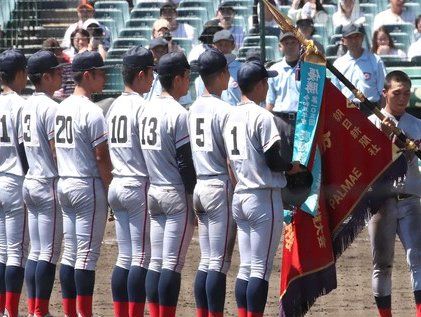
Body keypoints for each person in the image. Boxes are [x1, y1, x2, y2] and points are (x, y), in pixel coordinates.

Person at [224, 59, 303, 317]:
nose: (268, 85)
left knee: (245, 268)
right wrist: (292, 167)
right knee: (259, 269)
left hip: (241, 195)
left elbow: (228, 162)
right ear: (258, 85)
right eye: (266, 81)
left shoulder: (230, 115)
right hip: (262, 197)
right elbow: (273, 161)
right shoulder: (262, 116)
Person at [55, 51, 112, 317]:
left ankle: (70, 312)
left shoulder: (61, 107)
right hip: (86, 184)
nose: (104, 77)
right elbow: (101, 158)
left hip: (65, 182)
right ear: (87, 76)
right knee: (87, 255)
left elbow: (55, 147)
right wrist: (110, 189)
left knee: (70, 252)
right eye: (100, 73)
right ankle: (83, 314)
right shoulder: (92, 111)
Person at [140, 52, 196, 317]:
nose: (190, 82)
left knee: (156, 262)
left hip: (154, 190)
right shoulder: (178, 112)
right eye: (187, 77)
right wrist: (193, 195)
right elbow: (185, 163)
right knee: (171, 265)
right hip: (174, 193)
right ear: (177, 79)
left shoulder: (146, 108)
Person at [367, 70, 421, 317]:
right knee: (382, 264)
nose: (402, 99)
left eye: (406, 94)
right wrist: (383, 136)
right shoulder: (369, 123)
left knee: (418, 260)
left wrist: (403, 139)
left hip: (411, 199)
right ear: (384, 93)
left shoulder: (417, 125)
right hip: (381, 202)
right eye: (397, 93)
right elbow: (365, 163)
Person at [106, 46, 155, 317]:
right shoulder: (143, 106)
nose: (152, 79)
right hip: (138, 184)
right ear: (140, 74)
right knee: (140, 258)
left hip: (117, 183)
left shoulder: (113, 105)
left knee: (124, 257)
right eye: (150, 73)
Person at [189, 48, 236, 317]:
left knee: (207, 260)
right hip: (219, 185)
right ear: (219, 75)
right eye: (227, 70)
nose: (230, 74)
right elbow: (231, 160)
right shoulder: (225, 109)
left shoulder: (193, 107)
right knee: (217, 263)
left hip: (200, 186)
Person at [22, 50, 63, 317]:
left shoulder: (26, 104)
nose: (61, 75)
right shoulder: (52, 107)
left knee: (35, 251)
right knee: (47, 253)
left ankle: (33, 308)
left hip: (30, 179)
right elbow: (56, 150)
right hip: (48, 182)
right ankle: (40, 311)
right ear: (45, 77)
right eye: (57, 72)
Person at [0, 49, 29, 317]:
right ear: (19, 74)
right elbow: (23, 146)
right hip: (15, 179)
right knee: (16, 253)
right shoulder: (21, 104)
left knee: (1, 251)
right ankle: (12, 310)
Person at [332, 24, 386, 109]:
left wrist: (383, 115)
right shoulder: (338, 64)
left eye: (357, 36)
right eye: (350, 37)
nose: (354, 41)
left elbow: (383, 92)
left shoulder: (375, 60)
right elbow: (335, 94)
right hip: (348, 109)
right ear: (343, 40)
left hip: (372, 109)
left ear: (362, 38)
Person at [195, 30, 242, 106]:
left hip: (235, 114)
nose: (223, 48)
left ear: (233, 46)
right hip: (212, 113)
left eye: (226, 45)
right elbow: (201, 95)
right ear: (214, 46)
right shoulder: (207, 69)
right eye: (220, 45)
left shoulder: (241, 70)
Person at [145, 39, 192, 106]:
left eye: (162, 50)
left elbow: (185, 103)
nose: (159, 54)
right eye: (156, 51)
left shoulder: (176, 73)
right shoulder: (145, 75)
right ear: (150, 51)